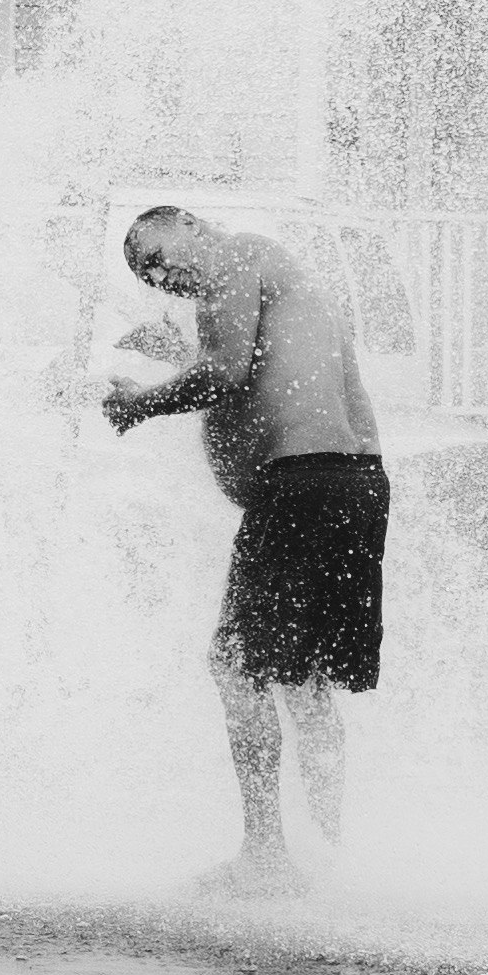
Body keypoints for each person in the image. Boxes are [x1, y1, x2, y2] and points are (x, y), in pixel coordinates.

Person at [103, 203, 389, 892]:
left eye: (156, 251)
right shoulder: (270, 272)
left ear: (194, 225)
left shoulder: (235, 256)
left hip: (303, 484)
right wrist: (179, 356)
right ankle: (329, 856)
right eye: (146, 271)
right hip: (355, 485)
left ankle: (264, 858)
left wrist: (140, 403)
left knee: (235, 668)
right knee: (307, 682)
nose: (159, 272)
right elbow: (261, 373)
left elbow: (227, 375)